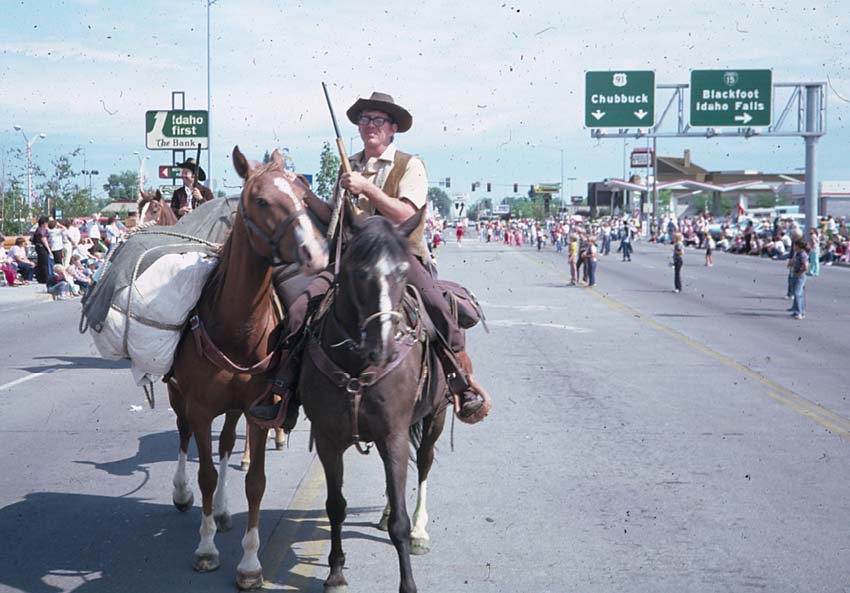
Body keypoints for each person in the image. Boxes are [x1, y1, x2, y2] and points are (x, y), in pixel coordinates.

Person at [250, 91, 490, 427]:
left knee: (435, 303)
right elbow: (335, 215)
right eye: (365, 120)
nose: (370, 126)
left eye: (378, 120)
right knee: (299, 310)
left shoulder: (410, 165)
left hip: (399, 257)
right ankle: (283, 392)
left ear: (393, 128)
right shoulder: (353, 166)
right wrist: (305, 194)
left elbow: (406, 213)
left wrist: (367, 189)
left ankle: (460, 379)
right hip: (350, 263)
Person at [789, 239, 810, 319]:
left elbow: (805, 266)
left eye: (795, 245)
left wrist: (799, 273)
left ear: (798, 246)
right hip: (795, 274)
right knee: (798, 293)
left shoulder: (803, 254)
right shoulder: (798, 253)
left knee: (797, 293)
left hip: (800, 276)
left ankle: (799, 312)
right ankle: (798, 311)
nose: (794, 247)